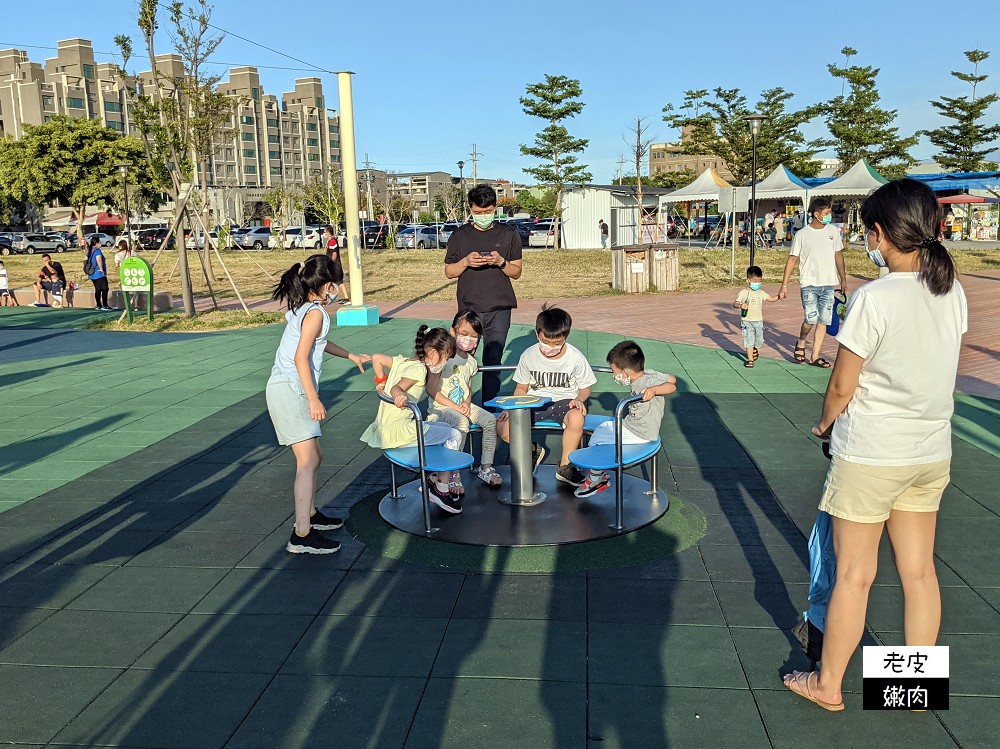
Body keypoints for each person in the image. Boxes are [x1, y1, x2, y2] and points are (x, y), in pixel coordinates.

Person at [782, 178, 967, 712]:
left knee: (855, 574)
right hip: (930, 450)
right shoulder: (950, 290)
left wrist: (822, 425)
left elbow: (842, 383)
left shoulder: (874, 297)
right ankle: (912, 691)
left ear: (879, 234)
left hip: (871, 453)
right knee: (919, 571)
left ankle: (828, 684)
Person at [266, 254, 370, 555]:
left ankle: (309, 514)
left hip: (286, 387)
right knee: (307, 461)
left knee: (315, 456)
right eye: (336, 283)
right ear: (324, 286)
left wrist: (351, 355)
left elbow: (317, 344)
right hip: (291, 390)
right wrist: (313, 399)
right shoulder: (316, 314)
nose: (339, 289)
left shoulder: (305, 309)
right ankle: (301, 535)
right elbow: (301, 357)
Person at [361, 326, 465, 514]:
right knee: (455, 434)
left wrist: (380, 381)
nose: (445, 362)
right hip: (400, 432)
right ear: (433, 353)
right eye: (446, 357)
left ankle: (434, 476)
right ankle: (441, 489)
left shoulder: (402, 362)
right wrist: (398, 394)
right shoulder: (418, 370)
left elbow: (376, 358)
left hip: (384, 429)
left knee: (442, 427)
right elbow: (397, 389)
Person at [498, 305, 597, 487]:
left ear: (565, 337)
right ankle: (532, 449)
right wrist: (511, 407)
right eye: (545, 341)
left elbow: (585, 388)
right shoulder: (528, 355)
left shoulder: (575, 357)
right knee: (503, 428)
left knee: (576, 418)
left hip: (564, 401)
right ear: (537, 334)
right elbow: (521, 387)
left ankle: (565, 466)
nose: (550, 347)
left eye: (557, 343)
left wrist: (579, 400)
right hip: (534, 401)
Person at [444, 184, 523, 406]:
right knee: (461, 357)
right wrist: (466, 262)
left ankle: (489, 406)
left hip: (500, 308)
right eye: (478, 213)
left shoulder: (508, 234)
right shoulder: (460, 235)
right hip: (469, 310)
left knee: (493, 359)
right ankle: (458, 404)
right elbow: (449, 271)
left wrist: (501, 262)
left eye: (487, 212)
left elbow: (516, 272)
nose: (483, 216)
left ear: (495, 208)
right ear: (470, 209)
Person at [573, 341, 676, 497]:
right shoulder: (648, 373)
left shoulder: (649, 381)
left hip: (641, 432)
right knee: (603, 428)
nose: (614, 376)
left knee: (597, 439)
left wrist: (654, 390)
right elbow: (672, 378)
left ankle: (596, 479)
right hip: (630, 424)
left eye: (615, 372)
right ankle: (599, 473)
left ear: (626, 372)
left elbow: (672, 386)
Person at [426, 309, 502, 492]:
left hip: (461, 406)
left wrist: (467, 403)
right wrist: (455, 407)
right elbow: (431, 389)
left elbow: (467, 387)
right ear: (453, 332)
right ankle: (453, 472)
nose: (469, 339)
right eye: (464, 334)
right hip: (441, 407)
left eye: (474, 336)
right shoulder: (443, 357)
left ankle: (486, 467)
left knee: (490, 420)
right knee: (461, 422)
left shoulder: (471, 362)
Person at [778, 198, 848, 368]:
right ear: (816, 214)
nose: (829, 216)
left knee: (823, 320)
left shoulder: (833, 232)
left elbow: (838, 255)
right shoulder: (802, 234)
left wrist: (843, 278)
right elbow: (793, 259)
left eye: (830, 212)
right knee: (810, 319)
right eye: (826, 213)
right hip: (809, 283)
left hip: (828, 284)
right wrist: (784, 285)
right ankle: (801, 341)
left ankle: (814, 356)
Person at [733, 265, 780, 368]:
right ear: (748, 280)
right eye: (755, 281)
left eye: (759, 281)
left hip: (758, 321)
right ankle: (750, 360)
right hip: (746, 321)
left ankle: (755, 348)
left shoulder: (761, 292)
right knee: (749, 340)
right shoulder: (743, 293)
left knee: (759, 340)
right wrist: (741, 305)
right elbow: (735, 303)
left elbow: (771, 299)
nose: (757, 283)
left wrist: (779, 296)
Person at [323, 225, 350, 304]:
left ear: (328, 233)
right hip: (331, 265)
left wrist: (331, 263)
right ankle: (344, 297)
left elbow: (334, 254)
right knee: (335, 282)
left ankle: (345, 298)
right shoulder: (330, 241)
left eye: (325, 232)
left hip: (335, 265)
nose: (324, 234)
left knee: (338, 281)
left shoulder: (333, 242)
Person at [83, 236, 111, 311]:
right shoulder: (97, 251)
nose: (100, 243)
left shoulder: (89, 251)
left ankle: (98, 305)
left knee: (97, 289)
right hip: (99, 273)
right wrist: (102, 269)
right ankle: (105, 305)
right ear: (97, 243)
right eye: (99, 242)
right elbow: (99, 260)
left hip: (92, 273)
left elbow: (85, 260)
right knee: (105, 288)